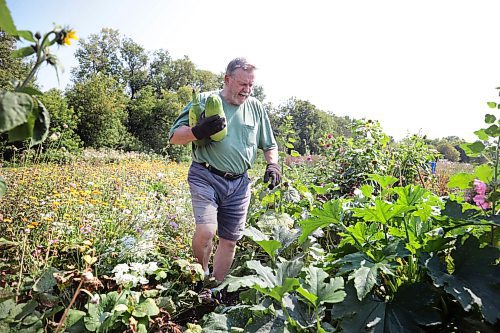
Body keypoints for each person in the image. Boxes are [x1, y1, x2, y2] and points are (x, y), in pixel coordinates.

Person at [169, 57, 281, 283]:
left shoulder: (256, 107)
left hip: (239, 183)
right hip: (206, 175)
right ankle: (200, 278)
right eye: (242, 84)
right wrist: (198, 131)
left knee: (230, 240)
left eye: (251, 85)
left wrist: (273, 164)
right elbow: (174, 137)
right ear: (227, 79)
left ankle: (214, 288)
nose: (247, 90)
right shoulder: (204, 101)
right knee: (207, 231)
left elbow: (269, 144)